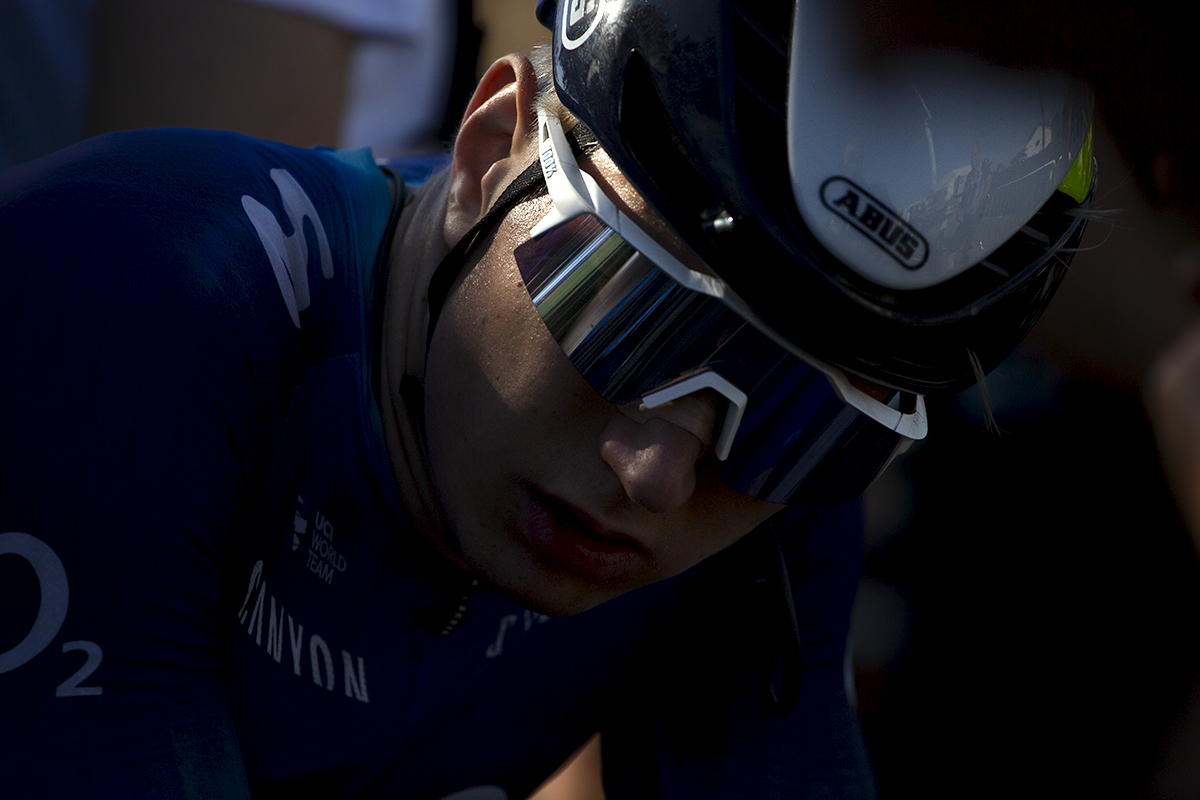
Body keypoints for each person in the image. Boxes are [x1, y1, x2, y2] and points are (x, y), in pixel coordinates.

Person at [0, 1, 1094, 797]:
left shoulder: (769, 511)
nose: (659, 471)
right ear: (490, 144)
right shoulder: (132, 286)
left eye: (810, 428)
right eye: (631, 312)